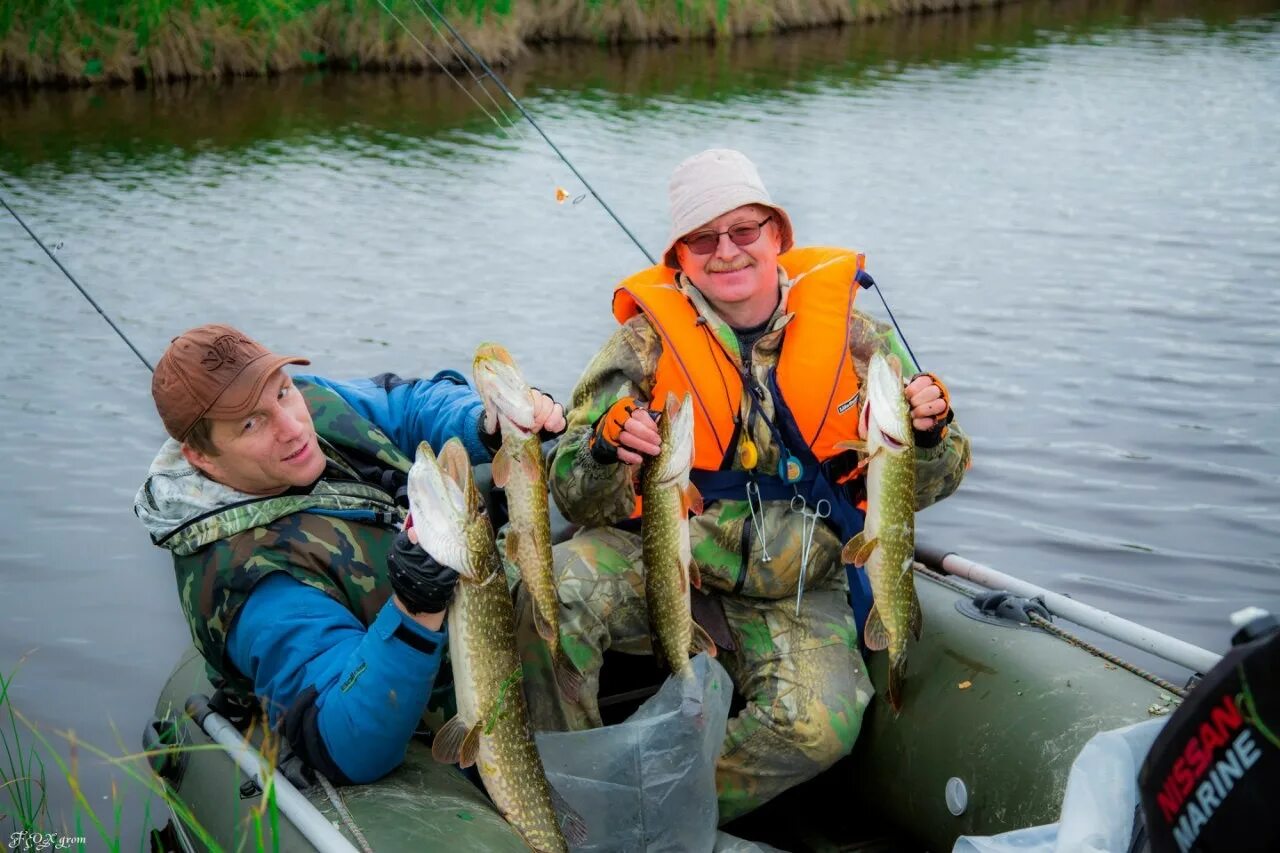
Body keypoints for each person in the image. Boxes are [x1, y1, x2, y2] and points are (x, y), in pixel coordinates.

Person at [517, 148, 972, 821]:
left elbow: (940, 474)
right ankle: (563, 800)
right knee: (547, 594)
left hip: (799, 582)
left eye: (744, 231)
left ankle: (646, 813)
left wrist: (930, 434)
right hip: (671, 561)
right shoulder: (642, 347)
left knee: (821, 726)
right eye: (704, 238)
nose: (726, 251)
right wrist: (608, 448)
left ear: (777, 236)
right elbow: (573, 493)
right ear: (680, 257)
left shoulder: (858, 340)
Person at [134, 324, 563, 785]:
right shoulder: (253, 581)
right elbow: (349, 742)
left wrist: (484, 424)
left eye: (282, 392)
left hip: (481, 640)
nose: (293, 427)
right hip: (432, 712)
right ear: (203, 458)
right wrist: (415, 608)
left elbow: (407, 405)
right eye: (250, 424)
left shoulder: (307, 404)